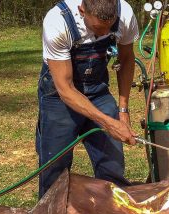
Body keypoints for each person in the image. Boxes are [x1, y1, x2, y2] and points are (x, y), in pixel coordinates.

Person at [36, 0, 139, 198]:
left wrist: (123, 110)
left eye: (108, 28)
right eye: (97, 29)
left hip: (98, 90)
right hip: (59, 95)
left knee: (113, 167)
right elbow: (65, 89)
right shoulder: (58, 22)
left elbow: (126, 59)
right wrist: (108, 123)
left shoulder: (124, 13)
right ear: (82, 11)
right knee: (54, 172)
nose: (103, 34)